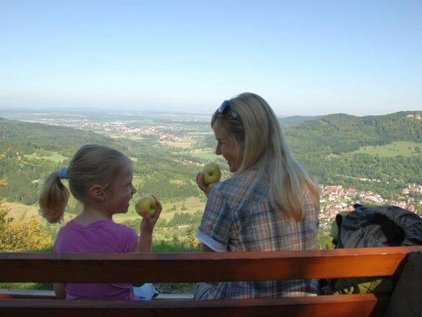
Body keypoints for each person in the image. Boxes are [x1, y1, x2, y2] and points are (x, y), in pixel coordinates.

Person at [195, 92, 320, 299]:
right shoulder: (307, 187)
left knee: (202, 287)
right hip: (298, 310)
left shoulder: (225, 194)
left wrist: (216, 197)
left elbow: (210, 273)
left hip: (242, 312)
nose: (218, 151)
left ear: (246, 141)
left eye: (222, 141)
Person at [39, 144, 161, 300]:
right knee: (147, 289)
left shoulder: (64, 236)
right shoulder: (124, 236)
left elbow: (61, 292)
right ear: (99, 193)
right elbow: (140, 279)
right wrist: (147, 232)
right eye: (127, 185)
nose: (134, 190)